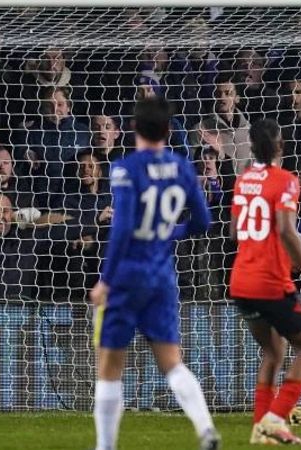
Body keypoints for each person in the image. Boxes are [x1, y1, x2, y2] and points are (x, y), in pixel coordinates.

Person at [89, 97, 219, 450]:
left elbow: (123, 228)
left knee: (111, 363)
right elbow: (203, 222)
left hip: (129, 275)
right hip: (162, 277)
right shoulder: (182, 167)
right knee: (172, 361)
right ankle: (206, 428)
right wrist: (168, 232)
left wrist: (105, 279)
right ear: (168, 130)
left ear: (133, 129)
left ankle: (105, 445)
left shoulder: (125, 168)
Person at [229, 119, 301, 446]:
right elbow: (286, 230)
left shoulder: (242, 181)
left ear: (253, 147)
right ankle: (275, 417)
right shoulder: (287, 181)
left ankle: (259, 428)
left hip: (240, 281)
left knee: (273, 351)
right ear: (280, 145)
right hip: (269, 282)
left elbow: (235, 232)